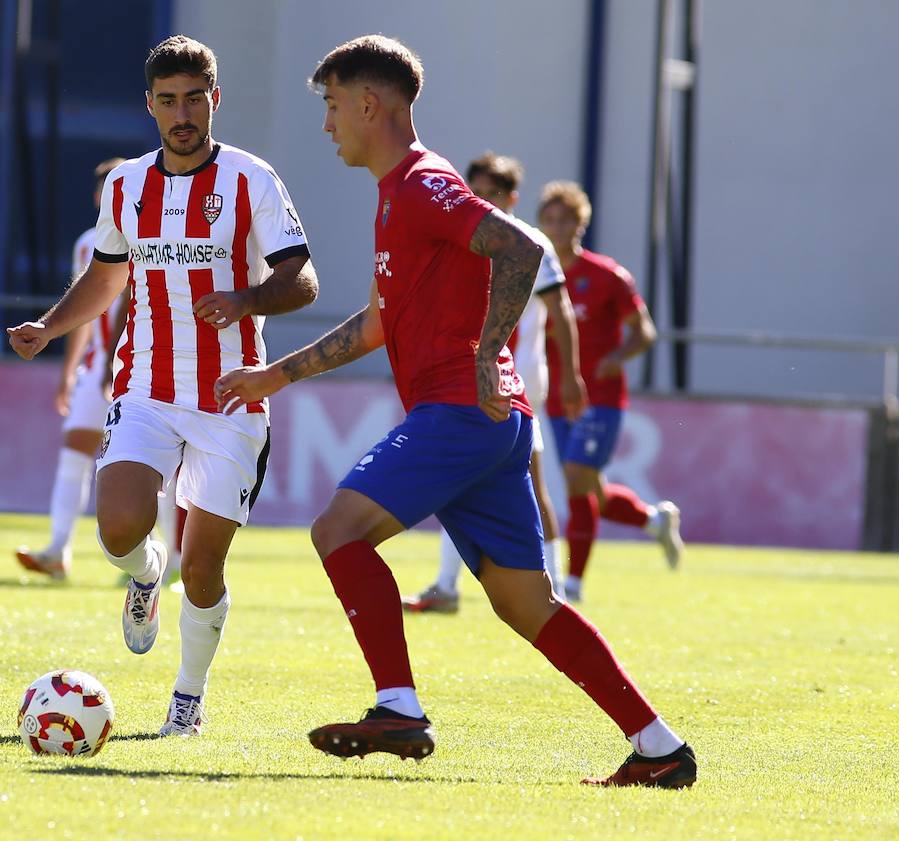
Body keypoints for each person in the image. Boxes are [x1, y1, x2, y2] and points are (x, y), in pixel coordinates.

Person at [216, 35, 696, 788]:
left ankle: (397, 705)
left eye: (334, 106)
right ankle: (659, 746)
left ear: (370, 106)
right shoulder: (394, 197)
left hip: (460, 413)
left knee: (336, 531)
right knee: (526, 602)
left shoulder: (421, 185)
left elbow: (523, 248)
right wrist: (276, 374)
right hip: (492, 426)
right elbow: (377, 323)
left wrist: (485, 350)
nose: (328, 124)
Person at [6, 35, 318, 737]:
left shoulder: (251, 179)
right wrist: (51, 327)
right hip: (145, 385)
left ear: (215, 99)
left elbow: (303, 279)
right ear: (149, 105)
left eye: (194, 99)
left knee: (204, 570)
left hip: (232, 396)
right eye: (168, 100)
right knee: (118, 525)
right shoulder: (126, 186)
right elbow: (108, 276)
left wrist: (245, 299)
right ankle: (145, 574)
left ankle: (188, 693)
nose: (182, 114)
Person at [402, 151, 587, 613]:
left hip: (517, 385)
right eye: (476, 191)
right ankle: (447, 586)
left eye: (493, 194)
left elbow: (560, 311)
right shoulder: (461, 241)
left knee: (533, 486)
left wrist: (573, 375)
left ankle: (556, 591)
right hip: (464, 382)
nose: (483, 201)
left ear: (512, 199)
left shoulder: (527, 242)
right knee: (455, 481)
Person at [538, 182, 684, 603]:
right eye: (549, 220)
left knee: (575, 478)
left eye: (565, 219)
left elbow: (645, 332)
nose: (557, 227)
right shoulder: (536, 274)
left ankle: (574, 584)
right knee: (591, 491)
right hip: (555, 398)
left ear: (581, 224)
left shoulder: (607, 276)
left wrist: (617, 357)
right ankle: (654, 520)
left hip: (600, 397)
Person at [13, 157, 128, 580]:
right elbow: (81, 310)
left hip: (139, 365)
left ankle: (167, 561)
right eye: (105, 188)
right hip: (97, 366)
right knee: (75, 453)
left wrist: (113, 362)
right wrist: (70, 371)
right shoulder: (86, 244)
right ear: (98, 195)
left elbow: (131, 303)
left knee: (157, 469)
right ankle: (58, 551)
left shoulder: (149, 234)